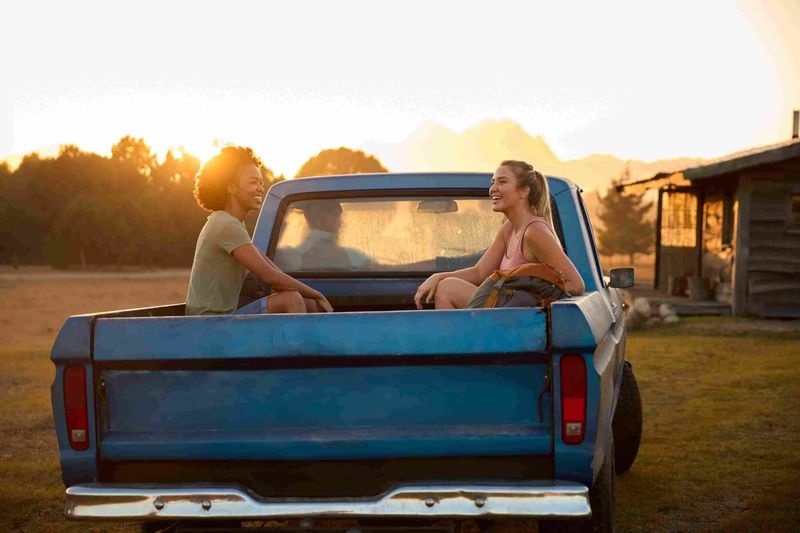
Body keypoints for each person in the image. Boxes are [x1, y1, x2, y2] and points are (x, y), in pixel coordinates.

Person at [414, 160, 585, 309]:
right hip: (500, 310)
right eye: (493, 182)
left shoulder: (534, 231)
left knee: (447, 288)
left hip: (515, 317)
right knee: (445, 285)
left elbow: (576, 284)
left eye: (502, 182)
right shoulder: (508, 229)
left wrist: (529, 299)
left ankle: (455, 346)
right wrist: (436, 277)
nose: (492, 189)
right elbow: (480, 272)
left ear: (523, 192)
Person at [185, 146, 333, 315]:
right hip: (210, 323)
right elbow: (269, 276)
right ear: (231, 187)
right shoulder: (225, 225)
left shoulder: (232, 224)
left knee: (303, 300)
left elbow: (270, 267)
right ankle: (295, 343)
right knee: (292, 299)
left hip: (222, 319)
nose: (260, 188)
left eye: (261, 182)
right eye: (253, 182)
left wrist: (311, 300)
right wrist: (317, 294)